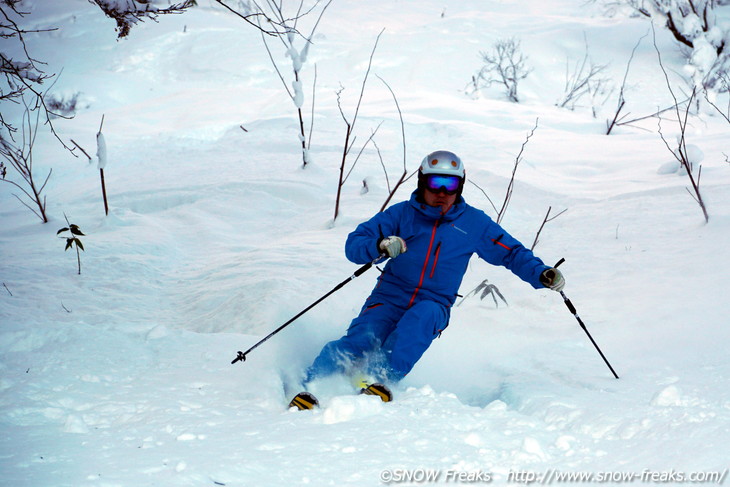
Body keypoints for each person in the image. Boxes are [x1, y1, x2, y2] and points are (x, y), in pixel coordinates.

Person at [292, 150, 564, 406]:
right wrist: (380, 245)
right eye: (435, 183)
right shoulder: (401, 214)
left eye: (451, 185)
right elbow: (355, 243)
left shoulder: (474, 223)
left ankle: (377, 380)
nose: (442, 193)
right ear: (422, 182)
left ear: (461, 186)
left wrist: (541, 273)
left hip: (434, 302)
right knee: (362, 338)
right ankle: (310, 387)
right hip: (388, 297)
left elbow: (512, 253)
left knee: (422, 318)